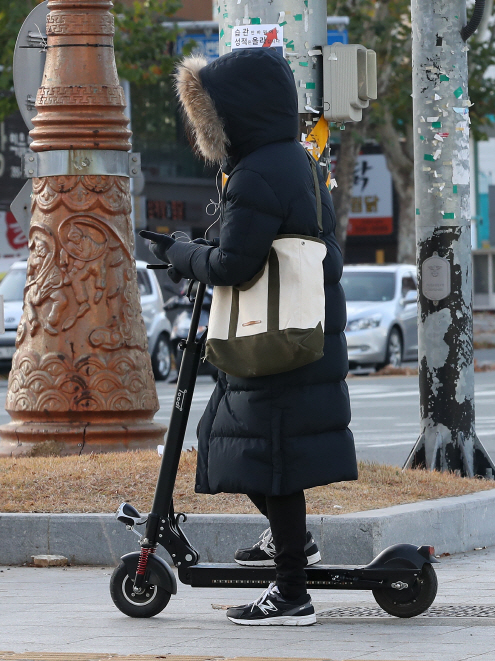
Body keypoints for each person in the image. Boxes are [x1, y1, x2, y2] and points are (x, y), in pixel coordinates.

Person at [140, 48, 357, 626]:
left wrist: (182, 253)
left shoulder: (257, 172)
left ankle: (292, 594)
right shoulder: (302, 162)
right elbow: (324, 253)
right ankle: (294, 546)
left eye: (212, 114)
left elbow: (235, 264)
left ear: (239, 112)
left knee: (267, 459)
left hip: (274, 343)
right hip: (303, 334)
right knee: (238, 445)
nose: (207, 128)